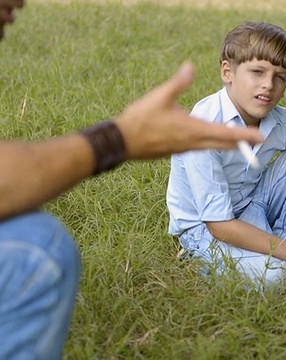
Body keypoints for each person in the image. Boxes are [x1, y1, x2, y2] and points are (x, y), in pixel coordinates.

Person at [0, 1, 265, 359]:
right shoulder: (212, 113)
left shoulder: (281, 122)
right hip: (208, 230)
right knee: (37, 248)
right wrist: (120, 138)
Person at [166, 21, 286, 290]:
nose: (268, 85)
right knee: (272, 280)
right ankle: (205, 256)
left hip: (252, 204)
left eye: (280, 77)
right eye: (257, 72)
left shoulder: (280, 121)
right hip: (205, 227)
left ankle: (284, 250)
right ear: (228, 72)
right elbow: (219, 224)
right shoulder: (204, 128)